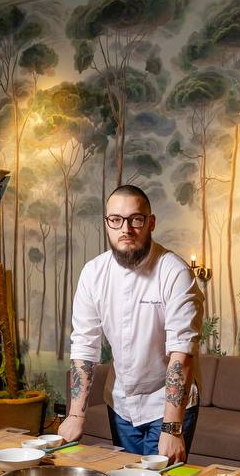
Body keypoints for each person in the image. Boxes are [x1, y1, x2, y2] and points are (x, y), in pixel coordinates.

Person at [57, 184, 203, 461]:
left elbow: (182, 353)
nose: (125, 229)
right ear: (107, 223)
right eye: (116, 219)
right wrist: (75, 415)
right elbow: (85, 345)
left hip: (167, 406)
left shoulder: (175, 272)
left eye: (135, 219)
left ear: (151, 223)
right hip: (121, 403)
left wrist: (172, 428)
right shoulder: (93, 273)